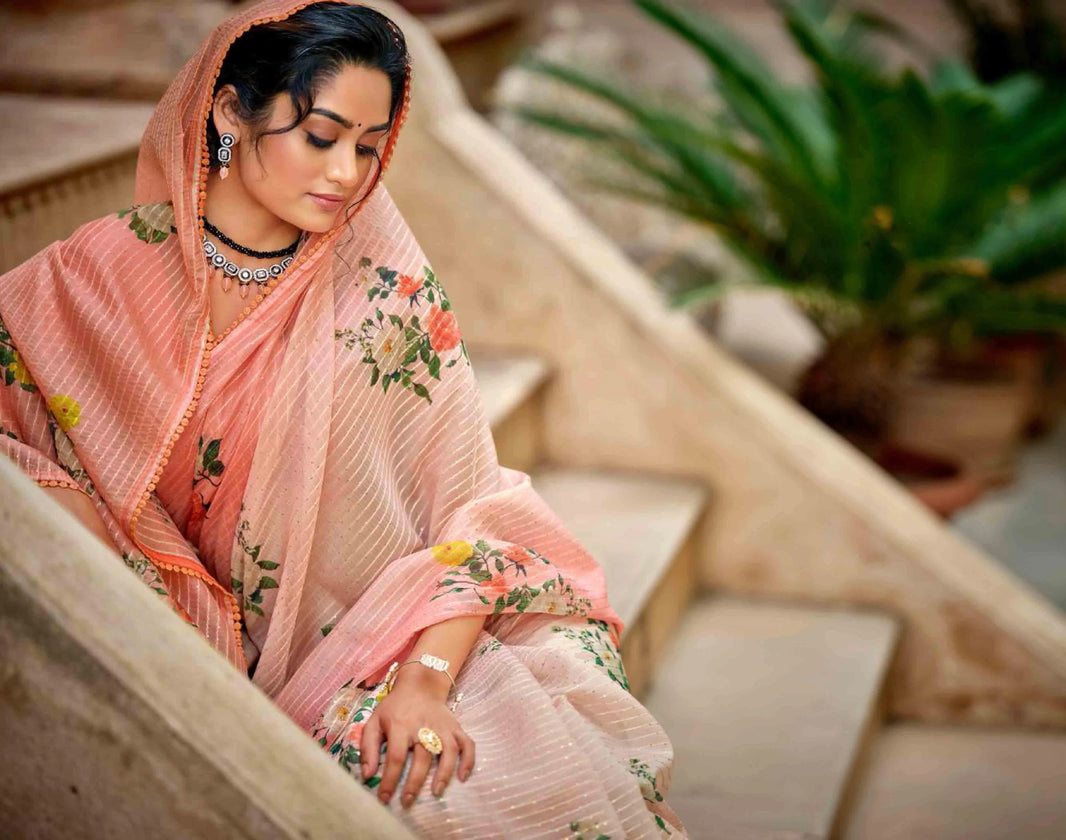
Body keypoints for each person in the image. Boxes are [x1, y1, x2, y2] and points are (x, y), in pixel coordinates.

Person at [0, 1, 688, 836]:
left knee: (474, 779)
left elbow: (474, 513)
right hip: (178, 644)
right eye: (321, 137)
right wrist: (93, 533)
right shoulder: (92, 278)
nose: (346, 174)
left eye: (368, 147)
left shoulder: (388, 303)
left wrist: (424, 682)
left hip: (385, 642)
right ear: (230, 113)